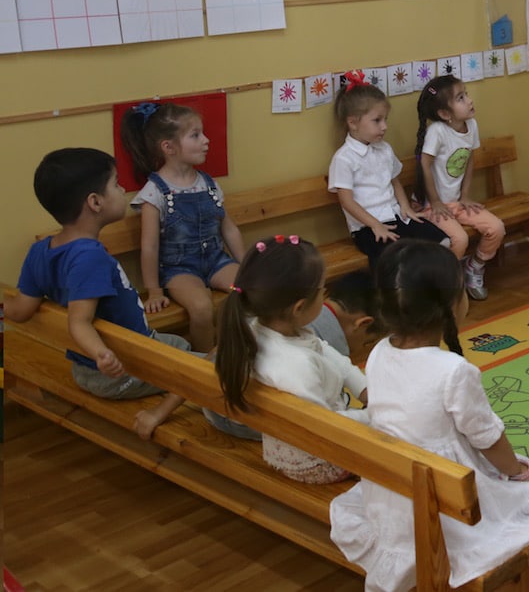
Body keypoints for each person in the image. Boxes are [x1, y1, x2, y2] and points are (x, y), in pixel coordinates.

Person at [329, 239, 529, 590]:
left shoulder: (380, 351)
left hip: (392, 489)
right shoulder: (453, 371)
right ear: (451, 307)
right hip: (441, 497)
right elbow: (487, 437)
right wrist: (519, 472)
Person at [8, 148, 195, 440]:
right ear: (95, 202)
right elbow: (79, 322)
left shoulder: (41, 251)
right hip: (116, 372)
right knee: (200, 368)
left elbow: (19, 311)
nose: (123, 189)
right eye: (116, 184)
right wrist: (103, 356)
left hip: (87, 365)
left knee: (180, 344)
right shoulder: (88, 256)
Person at [215, 235, 370, 484]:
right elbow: (323, 427)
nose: (325, 294)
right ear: (299, 308)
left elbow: (327, 351)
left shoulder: (261, 328)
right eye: (322, 290)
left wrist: (364, 389)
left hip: (295, 442)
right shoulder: (294, 365)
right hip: (315, 460)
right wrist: (372, 417)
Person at [120, 101, 244, 352]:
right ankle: (204, 363)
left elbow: (228, 228)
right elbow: (150, 246)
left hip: (216, 261)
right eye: (196, 135)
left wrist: (246, 263)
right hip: (180, 270)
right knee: (201, 307)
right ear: (168, 147)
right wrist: (154, 291)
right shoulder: (154, 192)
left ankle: (237, 352)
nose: (206, 140)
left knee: (248, 288)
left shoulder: (208, 184)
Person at [327, 71, 448, 266]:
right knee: (396, 259)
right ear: (353, 122)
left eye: (386, 119)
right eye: (377, 120)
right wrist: (375, 225)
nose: (384, 127)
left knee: (442, 241)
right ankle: (396, 295)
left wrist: (405, 207)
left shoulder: (384, 149)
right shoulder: (344, 158)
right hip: (367, 227)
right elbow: (347, 202)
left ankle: (431, 287)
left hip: (395, 215)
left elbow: (394, 181)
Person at [413, 74, 505, 301]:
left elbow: (470, 160)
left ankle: (474, 267)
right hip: (433, 207)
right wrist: (434, 202)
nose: (469, 100)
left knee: (497, 227)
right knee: (460, 240)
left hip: (458, 202)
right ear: (445, 114)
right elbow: (424, 164)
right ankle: (446, 281)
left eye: (466, 94)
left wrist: (465, 195)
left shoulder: (471, 125)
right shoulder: (438, 132)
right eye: (461, 98)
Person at [306, 268, 385, 367]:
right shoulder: (329, 364)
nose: (359, 349)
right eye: (367, 342)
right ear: (364, 323)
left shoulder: (291, 317)